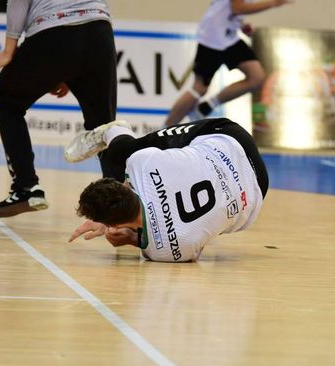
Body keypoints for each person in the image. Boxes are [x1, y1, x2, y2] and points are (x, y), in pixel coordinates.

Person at [65, 118, 269, 262]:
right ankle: (115, 132)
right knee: (124, 152)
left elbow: (167, 241)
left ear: (115, 224)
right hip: (229, 138)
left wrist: (130, 239)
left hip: (256, 190)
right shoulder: (141, 163)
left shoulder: (166, 253)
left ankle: (110, 130)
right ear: (123, 185)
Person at [0, 0, 117, 218]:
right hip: (99, 29)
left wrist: (9, 49)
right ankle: (122, 211)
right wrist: (66, 70)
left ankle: (26, 187)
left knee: (5, 99)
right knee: (105, 126)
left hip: (53, 28)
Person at [164, 0, 293, 126]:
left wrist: (239, 25)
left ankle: (207, 106)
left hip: (229, 37)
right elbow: (237, 8)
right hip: (212, 40)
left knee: (256, 78)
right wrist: (272, 3)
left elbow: (230, 10)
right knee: (199, 89)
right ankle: (163, 130)